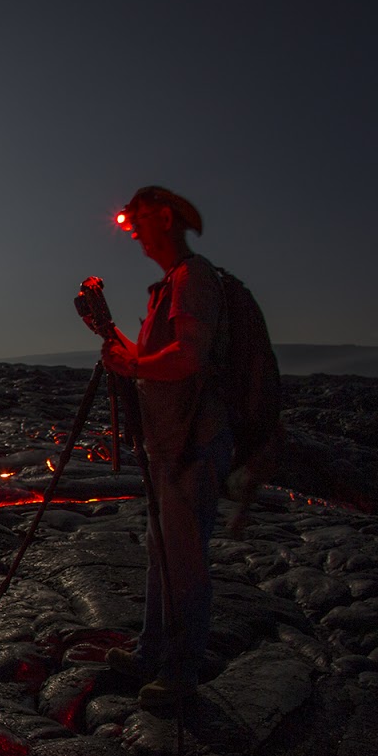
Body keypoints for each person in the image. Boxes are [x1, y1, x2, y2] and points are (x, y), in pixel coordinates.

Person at [99, 186, 231, 709]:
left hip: (192, 444)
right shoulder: (170, 284)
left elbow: (188, 357)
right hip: (169, 441)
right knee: (162, 554)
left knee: (183, 559)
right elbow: (159, 358)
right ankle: (153, 650)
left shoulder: (193, 278)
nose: (134, 235)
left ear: (165, 219)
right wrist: (119, 347)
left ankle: (181, 672)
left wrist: (132, 366)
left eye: (138, 223)